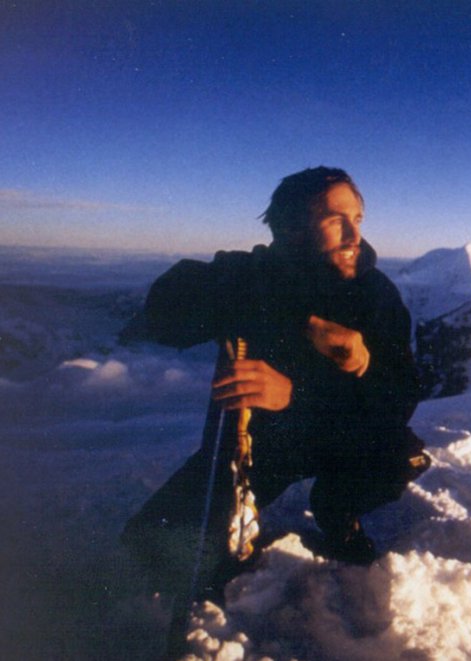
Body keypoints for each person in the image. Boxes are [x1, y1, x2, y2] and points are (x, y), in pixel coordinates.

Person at [121, 167, 429, 606]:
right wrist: (298, 324)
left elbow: (400, 396)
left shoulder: (373, 293)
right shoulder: (250, 275)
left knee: (397, 455)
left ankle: (337, 511)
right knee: (150, 541)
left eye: (357, 218)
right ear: (289, 229)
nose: (352, 234)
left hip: (339, 435)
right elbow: (165, 309)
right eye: (333, 218)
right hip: (260, 446)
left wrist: (341, 375)